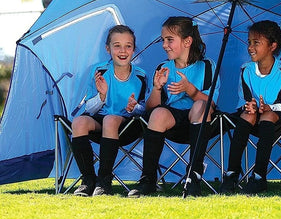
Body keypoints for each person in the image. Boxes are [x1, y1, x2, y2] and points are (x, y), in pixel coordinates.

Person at [128, 16, 220, 197]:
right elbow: (151, 108)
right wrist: (157, 87)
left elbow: (212, 103)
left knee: (200, 105)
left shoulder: (207, 66)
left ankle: (193, 174)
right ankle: (148, 179)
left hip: (202, 122)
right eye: (162, 40)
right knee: (158, 114)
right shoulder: (163, 67)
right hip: (173, 122)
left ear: (187, 41)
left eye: (170, 40)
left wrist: (190, 90)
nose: (164, 45)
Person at [219, 20, 281, 195]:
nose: (250, 47)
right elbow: (245, 98)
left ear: (272, 46)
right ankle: (232, 173)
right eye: (249, 42)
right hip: (252, 118)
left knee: (268, 116)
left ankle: (259, 176)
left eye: (256, 43)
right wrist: (251, 105)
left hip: (278, 118)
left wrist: (269, 107)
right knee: (247, 115)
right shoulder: (246, 70)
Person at [71, 25, 148, 196]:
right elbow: (90, 109)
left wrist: (134, 107)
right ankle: (88, 180)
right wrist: (102, 96)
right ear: (108, 49)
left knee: (111, 119)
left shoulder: (141, 75)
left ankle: (104, 181)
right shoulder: (99, 71)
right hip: (101, 122)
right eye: (117, 45)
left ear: (134, 49)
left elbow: (145, 111)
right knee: (79, 122)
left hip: (128, 127)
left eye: (128, 46)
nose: (123, 50)